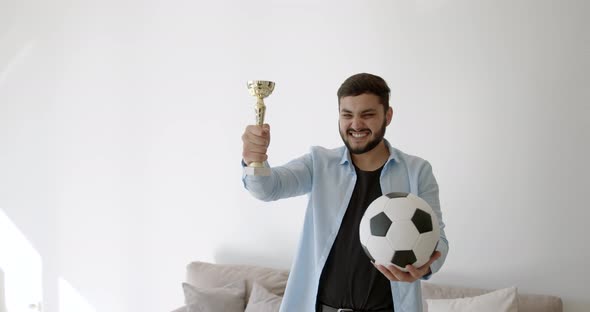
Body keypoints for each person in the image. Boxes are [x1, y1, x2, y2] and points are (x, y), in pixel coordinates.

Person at [241, 73, 449, 312]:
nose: (356, 124)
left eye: (367, 115)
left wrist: (426, 266)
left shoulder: (417, 171)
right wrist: (252, 161)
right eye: (347, 115)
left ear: (387, 116)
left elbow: (438, 239)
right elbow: (268, 188)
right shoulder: (319, 163)